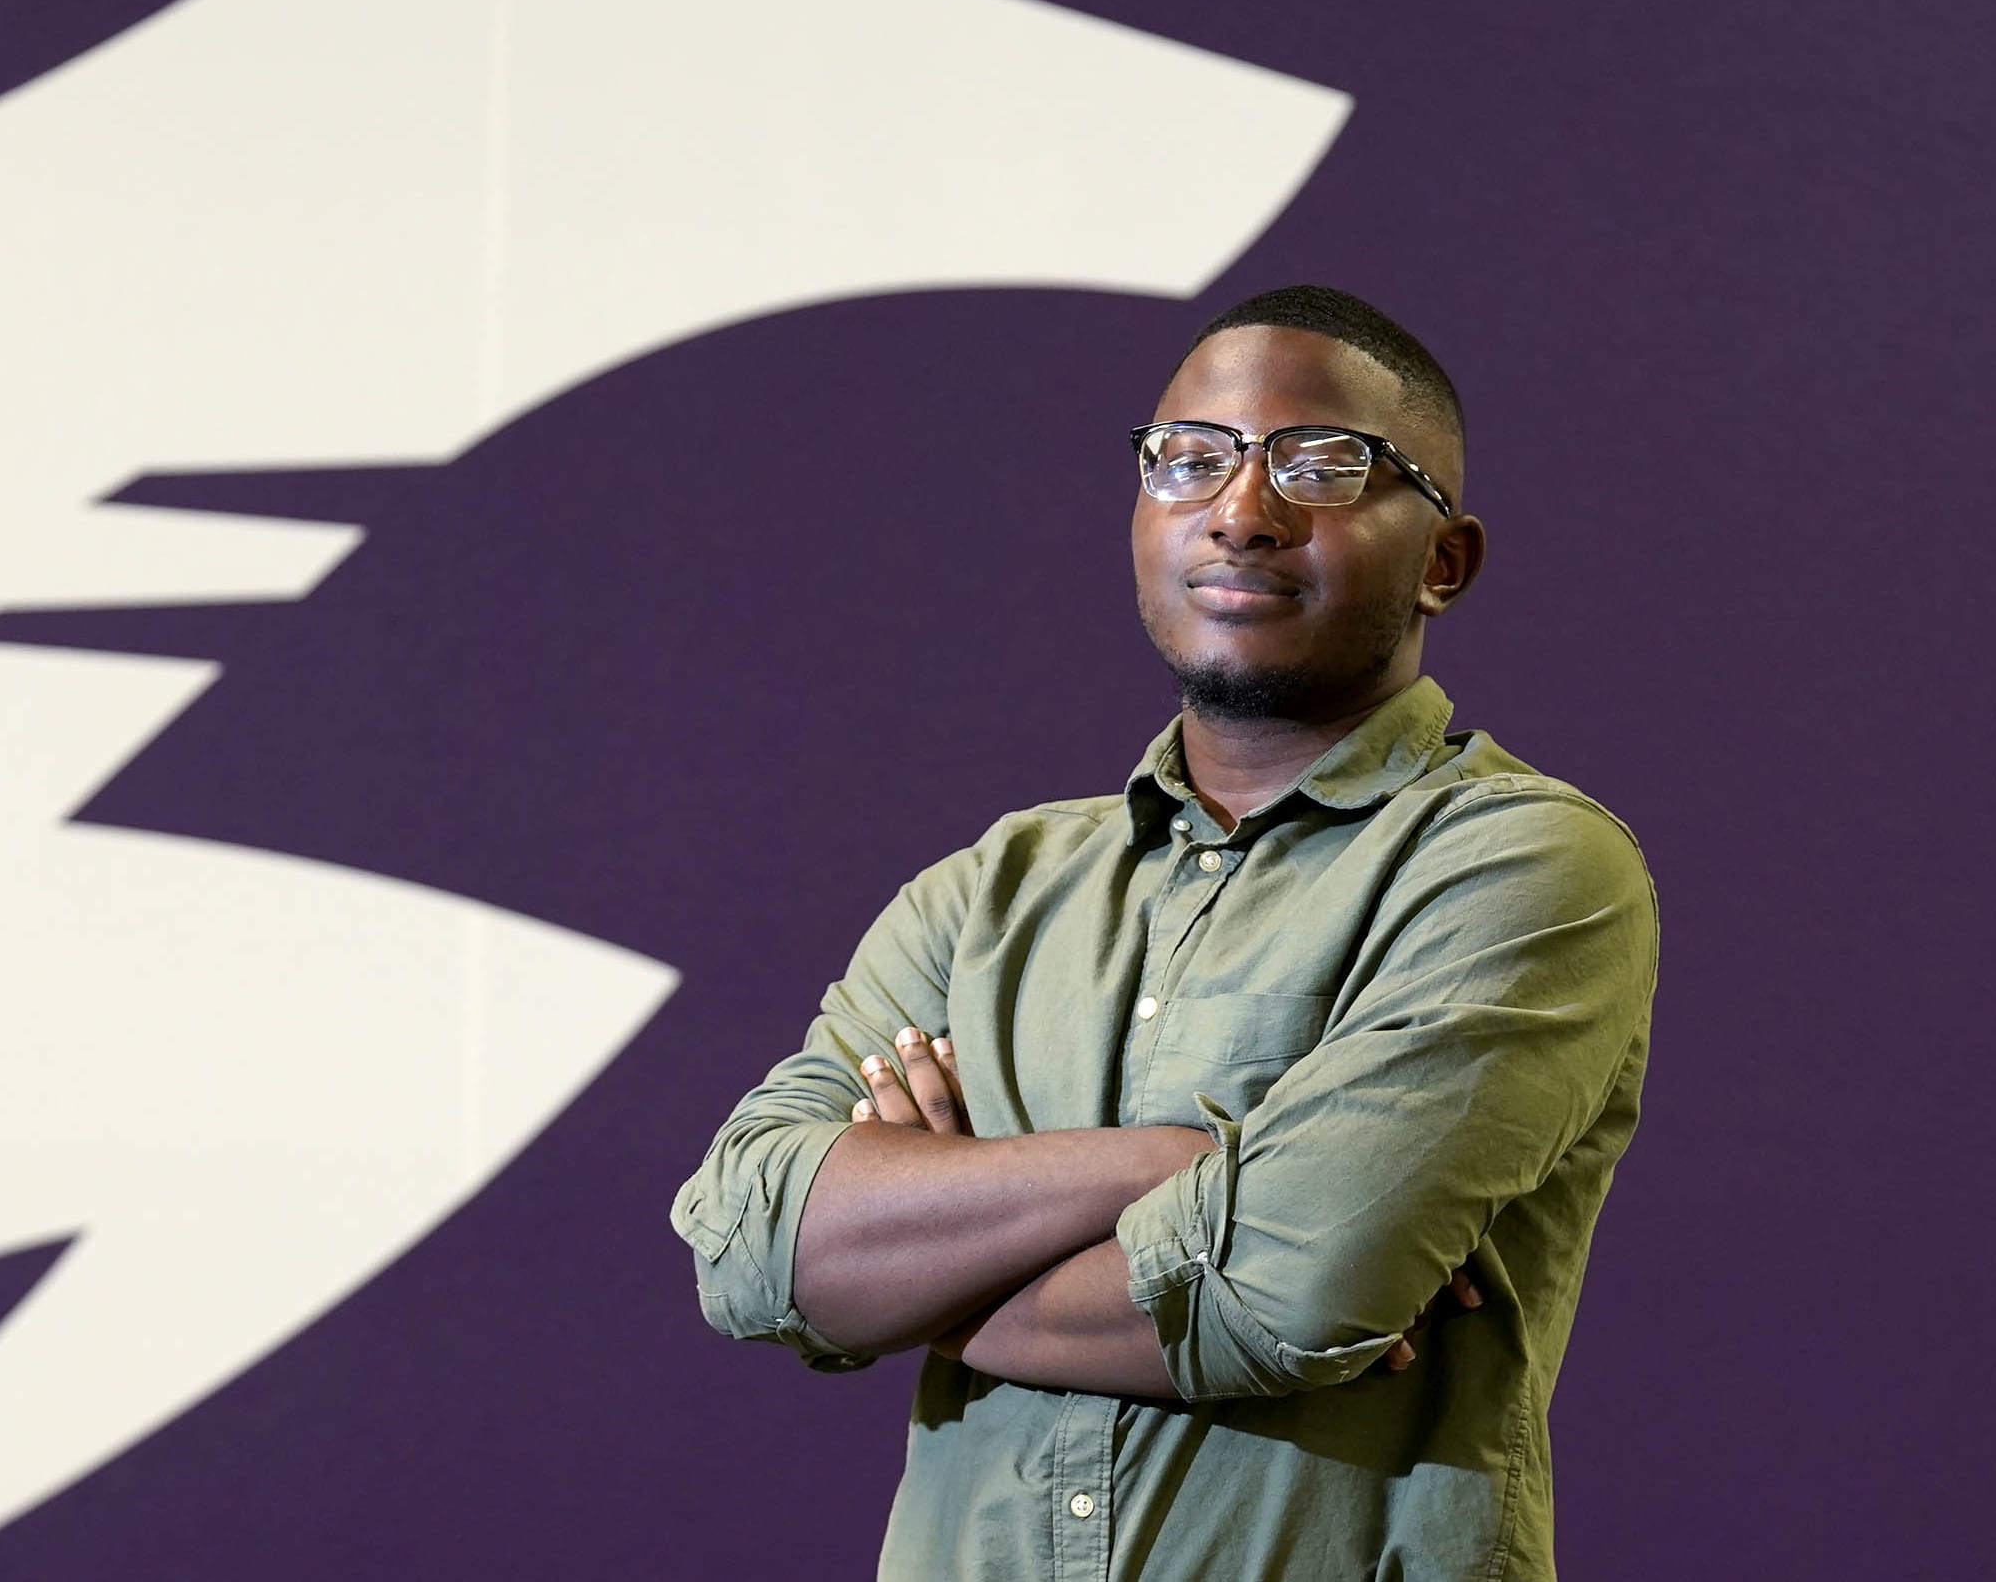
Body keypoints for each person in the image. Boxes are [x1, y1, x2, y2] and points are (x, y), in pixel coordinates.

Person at [671, 284, 1660, 1581]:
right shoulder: (993, 889)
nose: (1241, 511)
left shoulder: (1520, 865)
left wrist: (917, 1269)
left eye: (1323, 465)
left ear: (1445, 560)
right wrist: (1176, 1162)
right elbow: (750, 1249)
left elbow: (1286, 1296)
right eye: (1189, 458)